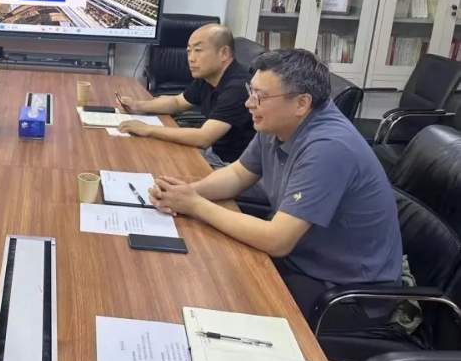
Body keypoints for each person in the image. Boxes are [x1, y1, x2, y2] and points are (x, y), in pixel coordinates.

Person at [148, 48, 402, 330]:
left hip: (348, 293)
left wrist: (195, 205)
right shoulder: (278, 123)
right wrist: (187, 192)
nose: (249, 103)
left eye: (260, 96)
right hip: (304, 260)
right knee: (209, 265)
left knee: (224, 302)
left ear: (301, 103)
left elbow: (277, 240)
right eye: (251, 91)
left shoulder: (329, 147)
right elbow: (238, 175)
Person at [117, 24, 255, 166]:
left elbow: (204, 137)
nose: (190, 58)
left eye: (198, 50)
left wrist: (147, 129)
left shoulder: (238, 87)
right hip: (213, 153)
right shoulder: (208, 76)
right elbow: (178, 102)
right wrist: (137, 106)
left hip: (231, 165)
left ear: (223, 53)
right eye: (189, 51)